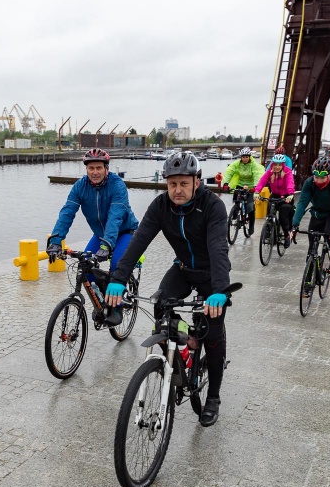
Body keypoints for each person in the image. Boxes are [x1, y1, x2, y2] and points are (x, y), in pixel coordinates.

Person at [104, 152, 231, 427]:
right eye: (172, 184)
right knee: (161, 306)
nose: (177, 190)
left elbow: (219, 249)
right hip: (183, 269)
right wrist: (118, 279)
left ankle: (214, 397)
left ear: (197, 181)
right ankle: (184, 346)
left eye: (184, 183)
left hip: (211, 275)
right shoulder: (161, 206)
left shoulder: (212, 206)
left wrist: (220, 291)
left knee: (214, 333)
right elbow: (138, 241)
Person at [46, 148, 139, 326]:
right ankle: (104, 298)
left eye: (98, 168)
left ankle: (117, 306)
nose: (95, 172)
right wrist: (55, 241)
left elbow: (115, 216)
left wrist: (106, 246)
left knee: (117, 266)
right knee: (85, 267)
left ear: (106, 168)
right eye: (91, 168)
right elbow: (67, 212)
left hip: (125, 232)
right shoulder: (80, 187)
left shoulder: (117, 185)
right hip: (101, 235)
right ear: (86, 169)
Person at [291, 157, 330, 272]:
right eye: (316, 177)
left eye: (322, 178)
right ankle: (308, 280)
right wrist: (295, 224)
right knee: (312, 246)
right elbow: (302, 203)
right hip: (316, 214)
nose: (319, 181)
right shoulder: (309, 182)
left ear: (328, 175)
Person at [254, 154, 297, 247]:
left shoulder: (287, 172)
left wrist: (290, 194)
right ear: (273, 164)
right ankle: (269, 230)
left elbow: (290, 183)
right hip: (275, 195)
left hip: (286, 197)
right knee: (269, 213)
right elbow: (262, 181)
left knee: (283, 215)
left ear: (283, 165)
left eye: (280, 165)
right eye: (276, 164)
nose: (277, 167)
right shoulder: (270, 172)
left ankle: (286, 235)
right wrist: (257, 191)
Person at [223, 146, 265, 235]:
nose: (245, 159)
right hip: (240, 184)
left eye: (246, 157)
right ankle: (235, 212)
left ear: (249, 157)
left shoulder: (254, 165)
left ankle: (251, 226)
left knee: (250, 207)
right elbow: (229, 172)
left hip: (250, 186)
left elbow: (257, 175)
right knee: (236, 197)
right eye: (243, 157)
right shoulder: (237, 164)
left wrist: (255, 187)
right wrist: (226, 183)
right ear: (241, 157)